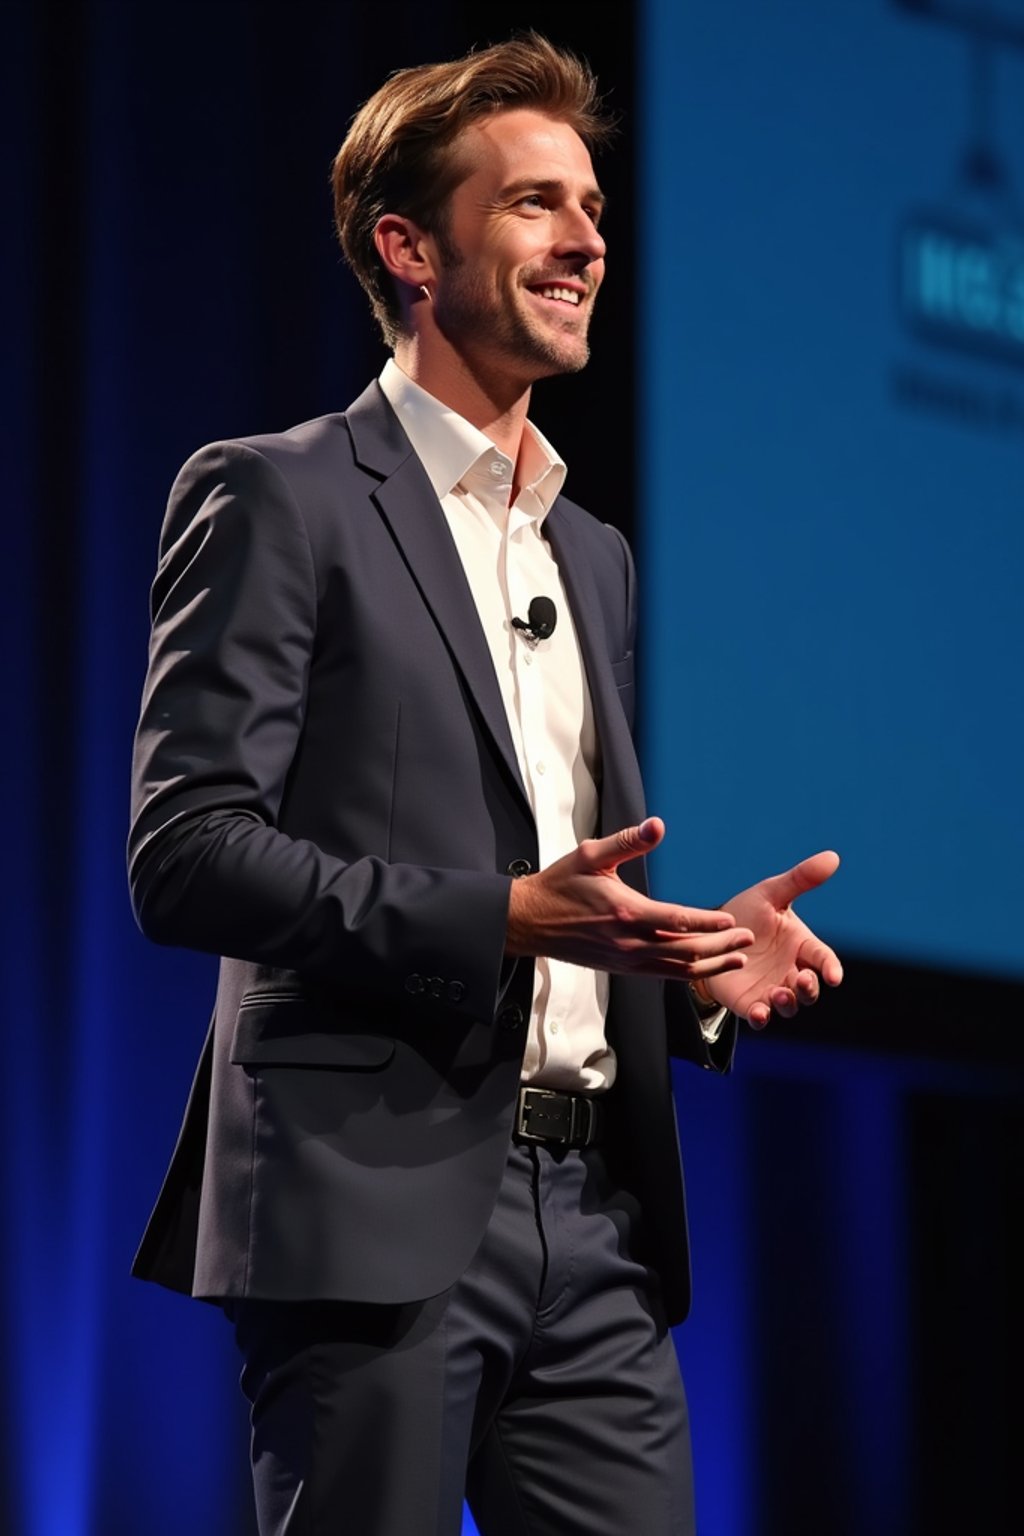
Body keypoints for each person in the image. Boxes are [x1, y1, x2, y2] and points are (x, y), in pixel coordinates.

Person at [129, 32, 842, 1536]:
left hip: (595, 1234)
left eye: (590, 206)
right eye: (533, 204)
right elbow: (185, 853)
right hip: (366, 1202)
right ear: (408, 248)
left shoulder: (595, 553)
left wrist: (695, 966)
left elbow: (566, 897)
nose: (587, 239)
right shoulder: (279, 493)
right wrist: (500, 919)